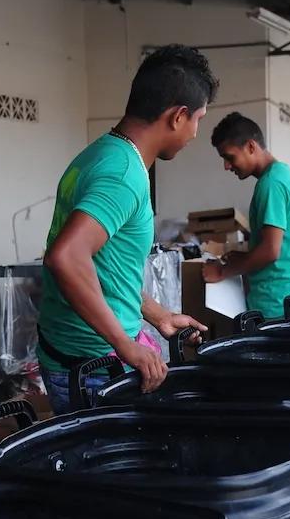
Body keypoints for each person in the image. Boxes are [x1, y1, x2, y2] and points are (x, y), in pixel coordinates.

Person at [39, 44, 214, 412]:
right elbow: (66, 257)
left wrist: (158, 315)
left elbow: (106, 268)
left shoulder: (102, 153)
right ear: (178, 116)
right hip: (92, 368)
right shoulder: (123, 174)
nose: (196, 133)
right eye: (198, 118)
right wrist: (124, 344)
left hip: (75, 356)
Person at [204, 112, 290, 318]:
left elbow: (270, 251)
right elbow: (284, 243)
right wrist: (243, 258)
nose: (227, 166)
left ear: (251, 147)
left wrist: (222, 272)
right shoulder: (287, 176)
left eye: (229, 157)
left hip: (276, 304)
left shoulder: (271, 184)